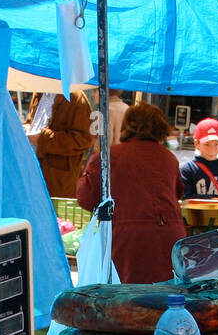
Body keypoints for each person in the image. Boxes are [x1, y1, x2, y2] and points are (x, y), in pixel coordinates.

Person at [75, 102, 185, 285]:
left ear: (128, 125)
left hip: (129, 240)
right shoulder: (168, 157)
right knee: (167, 301)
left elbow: (86, 197)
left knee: (128, 303)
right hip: (171, 238)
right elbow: (178, 192)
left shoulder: (109, 156)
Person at [26, 87, 94, 198]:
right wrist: (26, 127)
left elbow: (82, 140)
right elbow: (34, 122)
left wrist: (42, 139)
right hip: (33, 174)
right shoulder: (38, 90)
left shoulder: (75, 97)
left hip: (58, 183)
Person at [179, 118, 218, 198]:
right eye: (207, 144)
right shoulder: (188, 169)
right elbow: (185, 197)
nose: (212, 150)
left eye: (216, 144)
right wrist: (212, 201)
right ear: (197, 143)